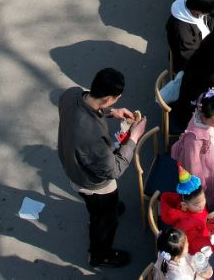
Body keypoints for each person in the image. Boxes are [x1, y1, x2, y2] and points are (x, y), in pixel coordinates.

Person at [57, 67, 148, 268]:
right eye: (115, 99)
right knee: (104, 218)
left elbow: (86, 106)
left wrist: (110, 112)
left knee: (104, 206)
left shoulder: (70, 94)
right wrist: (133, 138)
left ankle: (107, 210)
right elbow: (114, 169)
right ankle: (100, 254)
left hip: (71, 163)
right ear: (107, 98)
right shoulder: (92, 137)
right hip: (92, 182)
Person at [170, 91, 214, 211]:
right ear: (203, 116)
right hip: (204, 164)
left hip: (212, 151)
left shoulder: (201, 113)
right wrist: (201, 187)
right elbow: (193, 166)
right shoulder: (194, 140)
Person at [159, 168, 214, 258]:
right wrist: (212, 244)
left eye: (203, 200)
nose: (202, 206)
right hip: (199, 252)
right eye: (196, 204)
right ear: (184, 205)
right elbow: (194, 245)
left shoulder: (194, 208)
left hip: (209, 235)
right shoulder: (185, 224)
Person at [167, 0, 214, 72]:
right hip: (192, 66)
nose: (208, 15)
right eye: (208, 12)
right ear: (198, 11)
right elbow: (193, 56)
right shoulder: (181, 31)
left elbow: (207, 19)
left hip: (206, 44)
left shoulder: (193, 3)